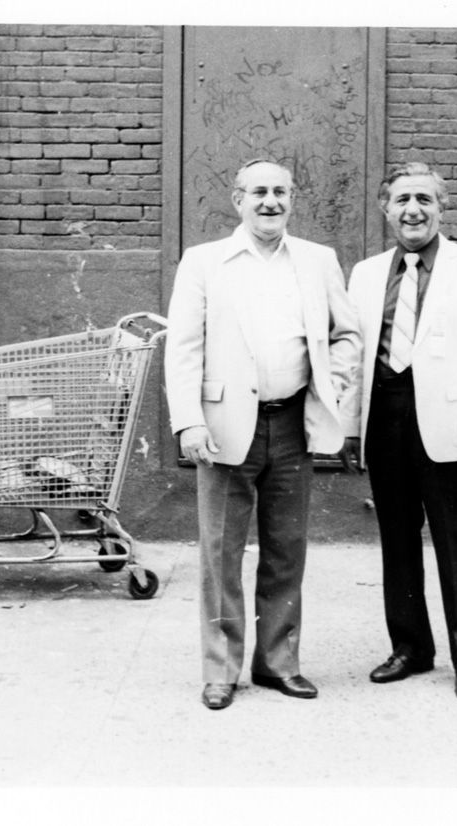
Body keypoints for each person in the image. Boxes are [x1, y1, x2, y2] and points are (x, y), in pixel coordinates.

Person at [164, 159, 361, 710]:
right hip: (227, 428)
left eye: (280, 192)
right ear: (237, 200)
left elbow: (347, 334)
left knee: (286, 550)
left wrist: (332, 381)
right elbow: (183, 348)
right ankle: (220, 670)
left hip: (294, 423)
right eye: (259, 192)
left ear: (292, 199)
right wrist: (189, 421)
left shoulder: (317, 261)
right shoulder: (205, 263)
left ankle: (278, 663)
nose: (270, 201)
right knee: (220, 553)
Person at [347, 162, 457, 701]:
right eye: (402, 200)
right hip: (386, 420)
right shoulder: (367, 273)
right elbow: (354, 357)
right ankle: (411, 648)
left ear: (441, 208)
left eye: (424, 199)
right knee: (397, 541)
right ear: (385, 209)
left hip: (451, 426)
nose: (413, 210)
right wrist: (351, 427)